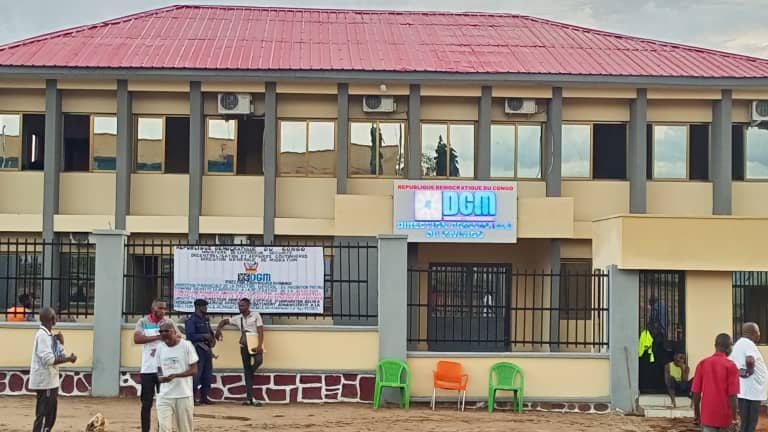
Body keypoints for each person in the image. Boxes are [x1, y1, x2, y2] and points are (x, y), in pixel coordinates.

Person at [29, 307, 77, 432]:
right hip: (45, 382)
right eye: (55, 316)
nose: (56, 318)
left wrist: (61, 343)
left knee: (50, 414)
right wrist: (69, 359)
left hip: (50, 381)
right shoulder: (43, 336)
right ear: (51, 319)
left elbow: (58, 354)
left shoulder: (49, 335)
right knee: (44, 414)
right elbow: (49, 360)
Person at [215, 297, 264, 406]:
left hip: (255, 343)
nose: (240, 308)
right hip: (244, 344)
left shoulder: (256, 315)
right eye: (239, 306)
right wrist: (218, 329)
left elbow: (261, 331)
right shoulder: (238, 318)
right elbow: (224, 321)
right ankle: (250, 398)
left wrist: (260, 345)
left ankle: (249, 374)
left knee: (258, 361)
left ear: (248, 306)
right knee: (246, 368)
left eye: (242, 306)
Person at [134, 299, 170, 432]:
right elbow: (137, 339)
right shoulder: (143, 322)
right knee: (146, 404)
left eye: (165, 309)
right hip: (148, 369)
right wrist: (158, 337)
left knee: (164, 403)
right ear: (153, 308)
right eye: (160, 308)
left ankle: (163, 429)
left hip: (163, 369)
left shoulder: (167, 323)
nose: (163, 311)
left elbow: (178, 337)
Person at [692, 333, 740, 432]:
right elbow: (732, 395)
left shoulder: (702, 364)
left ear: (715, 346)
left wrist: (697, 415)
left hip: (707, 416)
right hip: (725, 418)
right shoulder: (731, 366)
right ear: (728, 348)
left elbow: (696, 394)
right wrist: (734, 418)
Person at [156, 320, 198, 432]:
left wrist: (176, 375)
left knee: (185, 429)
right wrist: (160, 377)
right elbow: (159, 369)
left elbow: (194, 370)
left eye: (167, 331)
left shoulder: (186, 346)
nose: (164, 334)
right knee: (164, 428)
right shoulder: (160, 348)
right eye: (161, 332)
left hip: (183, 395)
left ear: (174, 332)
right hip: (164, 395)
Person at [730, 322, 767, 432]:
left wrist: (744, 372)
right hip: (753, 390)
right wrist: (749, 371)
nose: (759, 335)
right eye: (758, 332)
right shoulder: (748, 344)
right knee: (751, 423)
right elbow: (750, 359)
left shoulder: (738, 345)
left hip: (745, 390)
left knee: (745, 422)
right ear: (753, 333)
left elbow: (735, 366)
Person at [185, 298, 216, 405]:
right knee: (197, 374)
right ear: (198, 307)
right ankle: (192, 398)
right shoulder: (191, 320)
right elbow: (190, 336)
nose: (206, 308)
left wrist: (212, 337)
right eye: (204, 306)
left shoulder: (206, 319)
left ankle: (204, 396)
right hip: (197, 348)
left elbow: (209, 331)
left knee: (207, 374)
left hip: (207, 349)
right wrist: (204, 336)